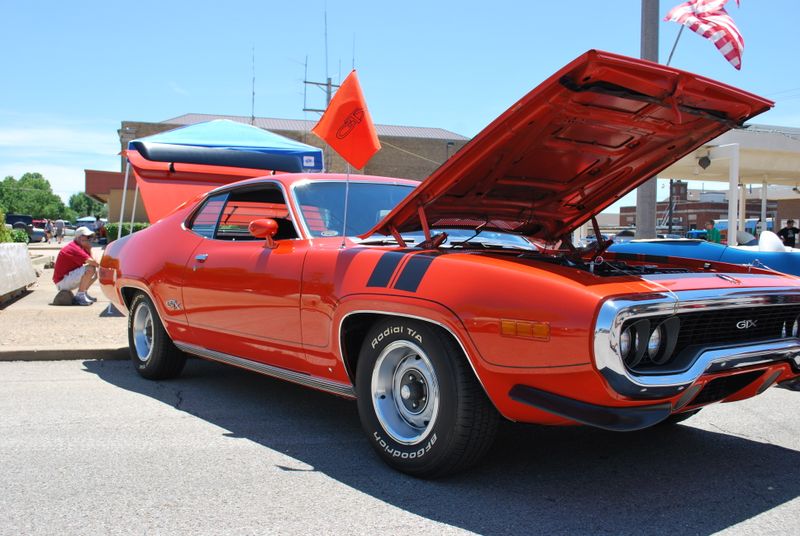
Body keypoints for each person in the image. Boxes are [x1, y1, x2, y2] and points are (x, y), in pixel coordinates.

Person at [52, 227, 99, 306]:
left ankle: (83, 293)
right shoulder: (74, 248)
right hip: (62, 281)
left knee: (96, 271)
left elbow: (93, 261)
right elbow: (94, 262)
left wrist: (89, 248)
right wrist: (105, 267)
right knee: (90, 269)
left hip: (67, 279)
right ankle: (80, 296)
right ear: (79, 237)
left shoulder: (80, 247)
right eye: (86, 236)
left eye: (89, 237)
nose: (88, 239)